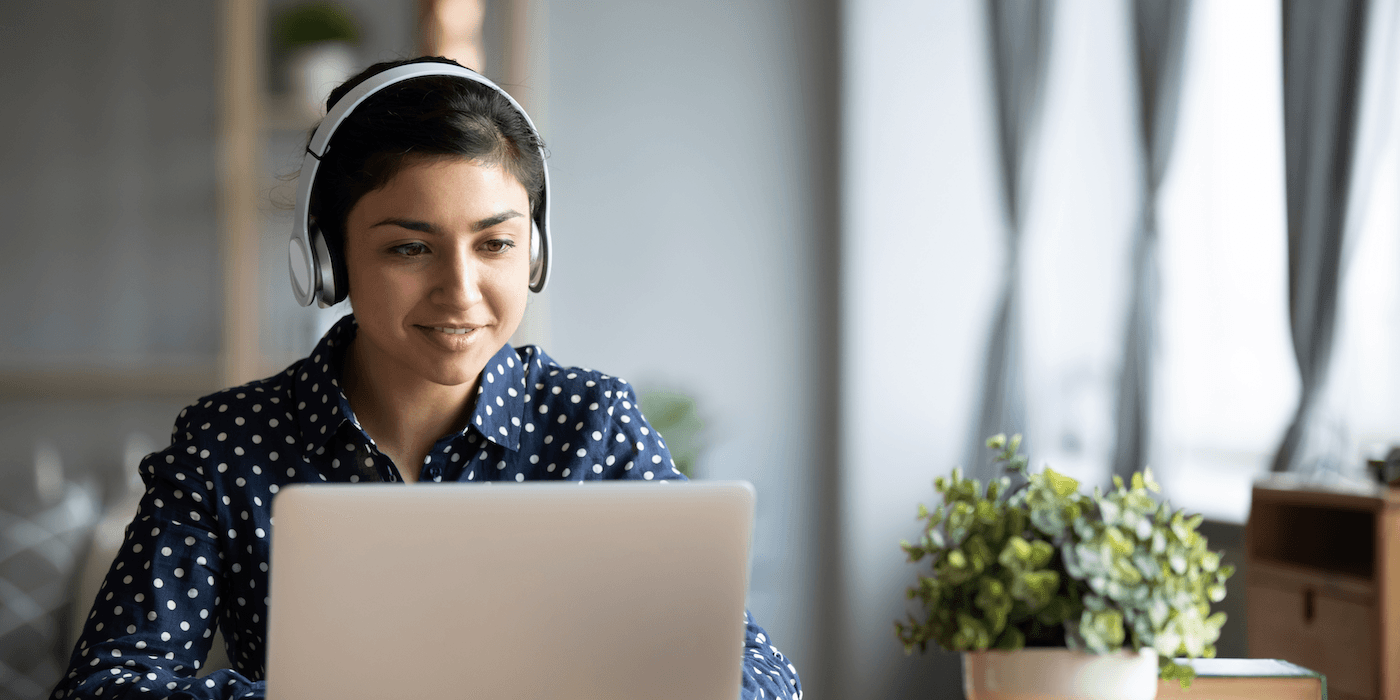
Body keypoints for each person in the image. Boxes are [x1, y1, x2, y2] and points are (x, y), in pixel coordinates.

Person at [52, 56, 801, 700]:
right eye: (410, 249)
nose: (462, 292)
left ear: (534, 253)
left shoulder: (592, 423)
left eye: (496, 243)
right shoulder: (229, 443)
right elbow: (109, 684)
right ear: (328, 260)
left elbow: (762, 672)